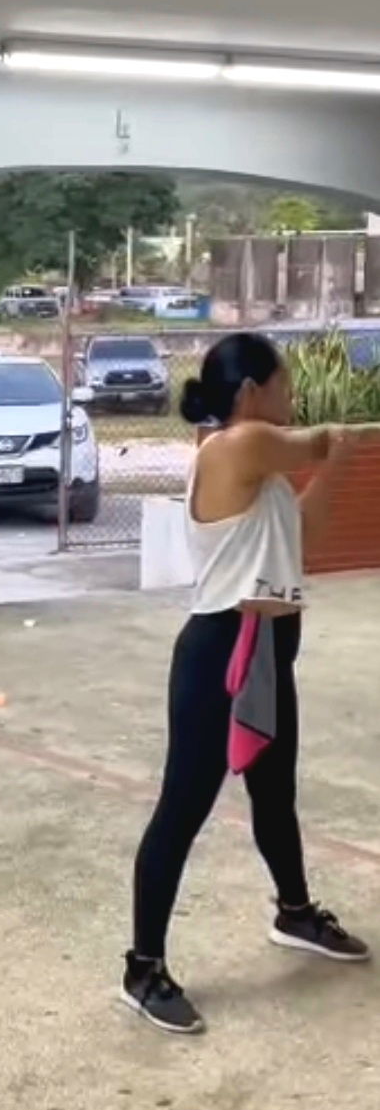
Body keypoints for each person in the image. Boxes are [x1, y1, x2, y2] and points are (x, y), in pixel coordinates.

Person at [123, 331, 372, 1036]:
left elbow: (302, 540)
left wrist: (341, 463)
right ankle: (143, 969)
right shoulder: (233, 448)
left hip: (269, 647)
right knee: (183, 807)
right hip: (219, 652)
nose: (293, 398)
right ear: (249, 393)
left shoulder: (262, 473)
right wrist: (341, 438)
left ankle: (294, 912)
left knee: (273, 791)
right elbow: (315, 438)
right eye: (284, 386)